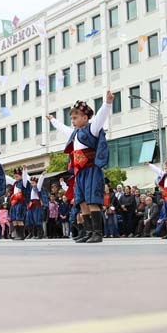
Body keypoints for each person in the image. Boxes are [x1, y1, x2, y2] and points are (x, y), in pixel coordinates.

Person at [48, 91, 113, 244]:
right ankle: (88, 232)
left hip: (91, 170)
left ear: (85, 117)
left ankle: (97, 233)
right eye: (71, 118)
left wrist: (107, 103)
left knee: (92, 201)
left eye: (75, 118)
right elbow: (63, 128)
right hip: (79, 172)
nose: (73, 121)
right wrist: (53, 120)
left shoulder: (92, 129)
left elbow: (100, 117)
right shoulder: (74, 133)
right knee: (82, 202)